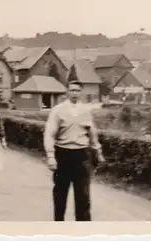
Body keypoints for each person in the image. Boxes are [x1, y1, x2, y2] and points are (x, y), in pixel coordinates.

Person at [43, 80, 106, 222]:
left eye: (77, 90)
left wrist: (98, 151)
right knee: (60, 194)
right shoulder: (58, 110)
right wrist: (51, 156)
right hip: (63, 154)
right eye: (72, 90)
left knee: (83, 196)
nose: (75, 93)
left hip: (82, 155)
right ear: (67, 92)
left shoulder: (86, 110)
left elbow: (92, 133)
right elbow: (49, 134)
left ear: (81, 92)